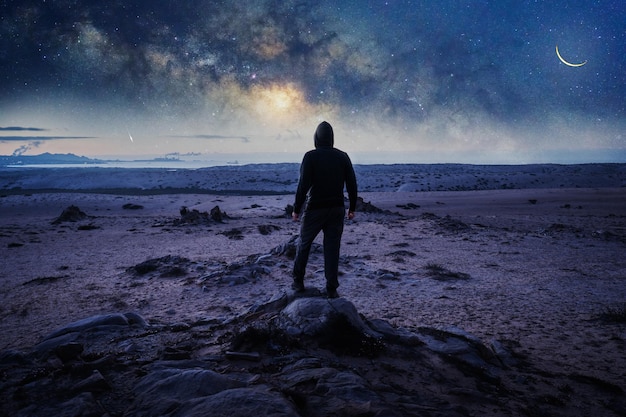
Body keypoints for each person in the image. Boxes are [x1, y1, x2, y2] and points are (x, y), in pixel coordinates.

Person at [291, 121, 358, 298]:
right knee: (332, 248)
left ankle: (298, 282)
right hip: (336, 209)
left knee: (304, 245)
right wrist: (352, 207)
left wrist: (296, 208)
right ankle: (331, 288)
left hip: (315, 209)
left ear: (316, 137)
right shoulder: (342, 156)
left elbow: (303, 185)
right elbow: (352, 184)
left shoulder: (310, 156)